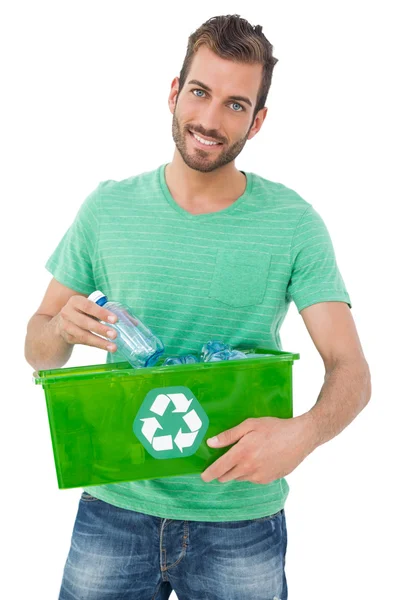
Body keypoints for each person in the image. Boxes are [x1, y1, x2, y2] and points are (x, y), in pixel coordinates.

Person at [24, 14, 371, 600]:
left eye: (236, 105)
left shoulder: (292, 223)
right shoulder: (108, 209)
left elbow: (352, 370)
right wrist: (59, 326)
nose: (210, 121)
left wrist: (304, 434)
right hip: (113, 507)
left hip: (241, 521)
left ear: (258, 121)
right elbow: (38, 350)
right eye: (200, 92)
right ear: (173, 92)